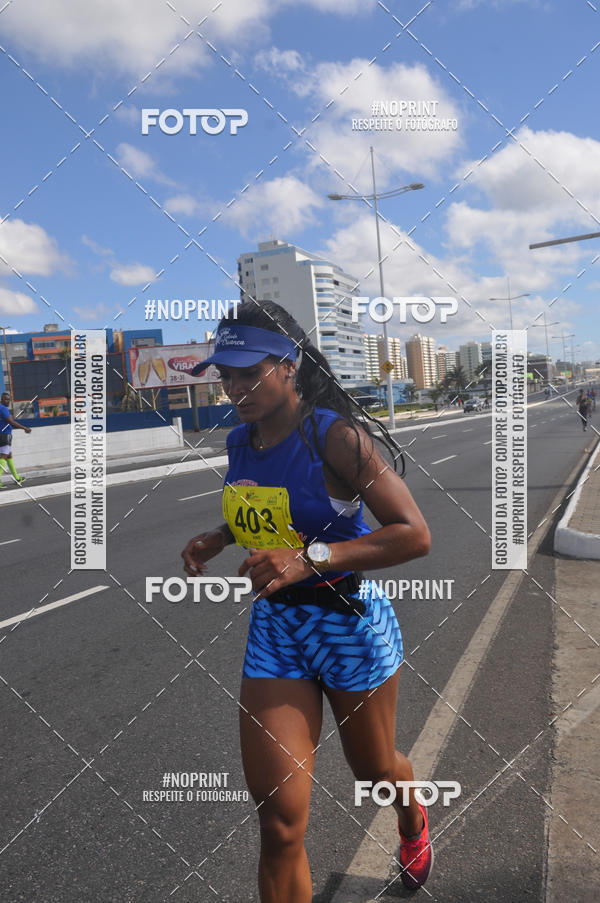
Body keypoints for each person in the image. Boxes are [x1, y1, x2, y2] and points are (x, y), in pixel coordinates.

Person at [181, 301, 433, 901]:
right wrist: (220, 537)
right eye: (227, 375)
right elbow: (270, 516)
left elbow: (413, 534)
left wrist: (309, 559)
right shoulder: (240, 441)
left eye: (249, 372)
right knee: (279, 822)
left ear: (289, 365)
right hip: (277, 631)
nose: (235, 388)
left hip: (348, 624)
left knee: (374, 771)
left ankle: (412, 814)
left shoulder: (334, 436)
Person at [0, 392, 31, 488]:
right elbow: (11, 422)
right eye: (5, 399)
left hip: (3, 434)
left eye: (9, 399)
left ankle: (17, 478)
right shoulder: (3, 408)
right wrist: (25, 428)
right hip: (4, 435)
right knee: (3, 457)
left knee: (9, 456)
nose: (7, 401)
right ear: (1, 399)